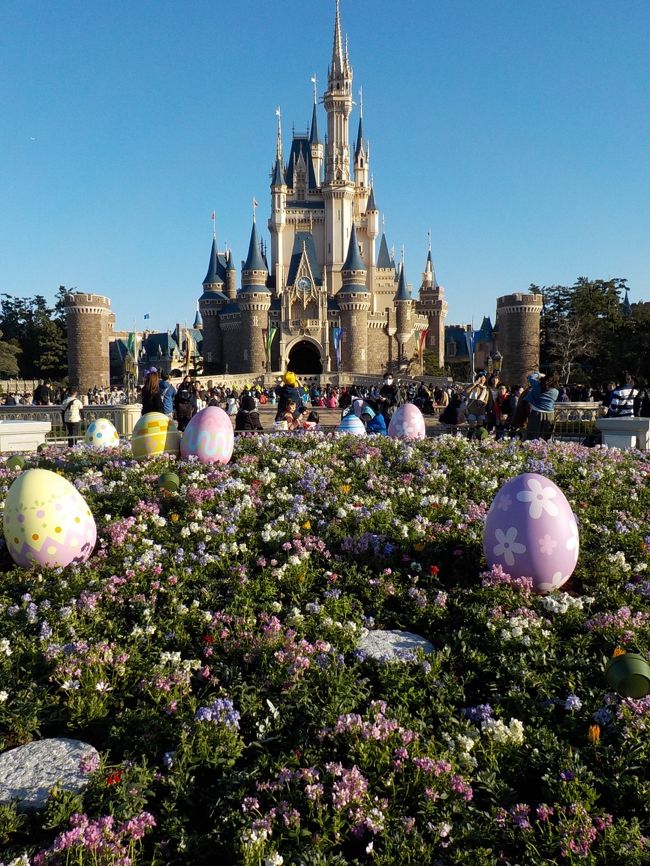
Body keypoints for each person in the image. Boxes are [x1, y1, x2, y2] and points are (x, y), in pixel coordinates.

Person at [525, 372, 559, 440]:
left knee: (532, 437)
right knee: (545, 438)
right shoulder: (556, 392)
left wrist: (539, 374)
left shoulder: (537, 385)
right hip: (549, 415)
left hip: (536, 414)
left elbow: (530, 378)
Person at [464, 371, 491, 438]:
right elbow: (466, 391)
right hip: (472, 410)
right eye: (481, 378)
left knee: (480, 427)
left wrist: (482, 402)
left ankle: (479, 441)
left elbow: (486, 401)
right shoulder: (473, 386)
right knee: (471, 427)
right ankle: (468, 440)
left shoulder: (486, 389)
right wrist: (475, 383)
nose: (483, 380)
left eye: (484, 378)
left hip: (480, 410)